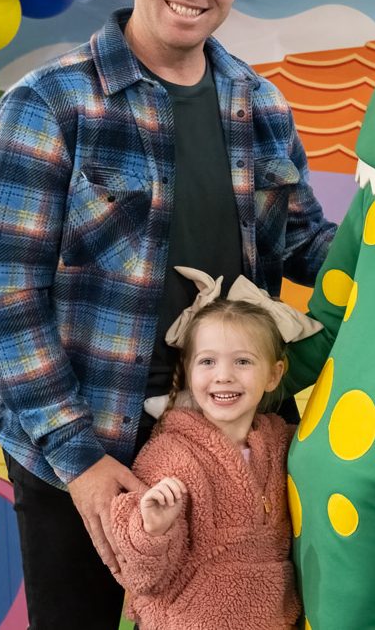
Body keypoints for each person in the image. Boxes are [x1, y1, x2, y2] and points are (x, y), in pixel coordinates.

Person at [0, 0, 335, 628]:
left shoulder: (258, 103)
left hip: (225, 423)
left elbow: (305, 240)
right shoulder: (47, 105)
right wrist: (80, 461)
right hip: (82, 427)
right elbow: (8, 303)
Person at [112, 270, 318, 630]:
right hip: (189, 620)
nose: (223, 375)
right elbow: (143, 578)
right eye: (207, 361)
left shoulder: (285, 444)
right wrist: (152, 529)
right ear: (189, 371)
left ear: (274, 374)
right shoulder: (169, 455)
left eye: (243, 361)